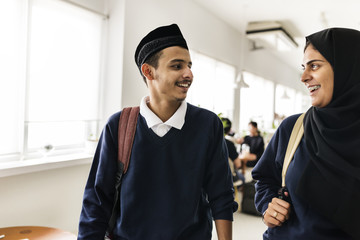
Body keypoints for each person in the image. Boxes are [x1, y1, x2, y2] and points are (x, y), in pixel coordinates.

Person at [77, 23, 238, 240]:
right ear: (148, 71)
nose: (188, 73)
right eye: (177, 66)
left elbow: (221, 195)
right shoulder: (119, 125)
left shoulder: (208, 124)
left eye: (189, 65)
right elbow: (97, 201)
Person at [252, 27, 360, 239]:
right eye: (304, 67)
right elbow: (264, 179)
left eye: (315, 66)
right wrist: (268, 206)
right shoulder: (293, 128)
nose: (303, 77)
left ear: (347, 68)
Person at [221, 117, 245, 186]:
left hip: (209, 177)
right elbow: (238, 164)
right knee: (242, 178)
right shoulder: (228, 143)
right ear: (229, 130)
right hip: (226, 177)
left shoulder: (209, 142)